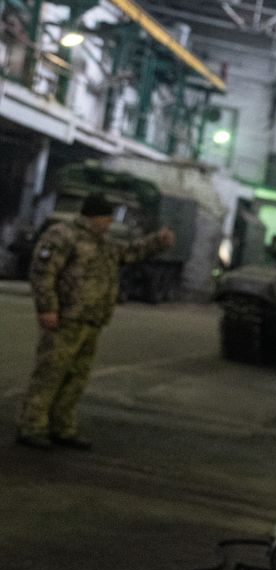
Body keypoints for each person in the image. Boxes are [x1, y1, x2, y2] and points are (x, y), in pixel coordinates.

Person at [15, 192, 174, 450]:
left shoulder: (102, 243)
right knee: (50, 372)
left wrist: (158, 242)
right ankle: (32, 425)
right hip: (66, 318)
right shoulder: (63, 235)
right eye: (106, 218)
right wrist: (47, 309)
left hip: (90, 320)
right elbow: (43, 272)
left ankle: (62, 426)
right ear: (94, 217)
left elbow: (129, 254)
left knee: (76, 376)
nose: (109, 223)